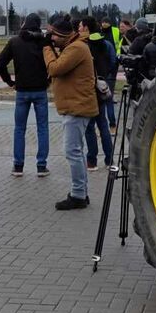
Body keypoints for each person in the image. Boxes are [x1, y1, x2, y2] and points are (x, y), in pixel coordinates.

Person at [41, 14, 96, 210]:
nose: (52, 39)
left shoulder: (77, 48)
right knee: (77, 152)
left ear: (63, 35)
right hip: (76, 106)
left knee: (72, 152)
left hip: (77, 107)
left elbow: (55, 68)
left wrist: (46, 47)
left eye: (54, 36)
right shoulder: (73, 47)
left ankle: (78, 195)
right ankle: (81, 192)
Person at [0, 12, 51, 177]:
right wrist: (49, 79)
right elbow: (55, 62)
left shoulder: (15, 42)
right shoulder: (44, 42)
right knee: (43, 128)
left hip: (22, 90)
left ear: (24, 23)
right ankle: (41, 166)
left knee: (19, 129)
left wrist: (9, 82)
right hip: (40, 90)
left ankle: (18, 166)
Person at [79, 17, 115, 170]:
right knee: (103, 125)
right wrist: (106, 74)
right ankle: (109, 160)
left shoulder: (83, 45)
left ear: (86, 27)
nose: (79, 28)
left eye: (81, 26)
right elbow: (113, 61)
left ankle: (92, 161)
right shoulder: (106, 43)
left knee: (89, 127)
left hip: (88, 88)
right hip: (102, 87)